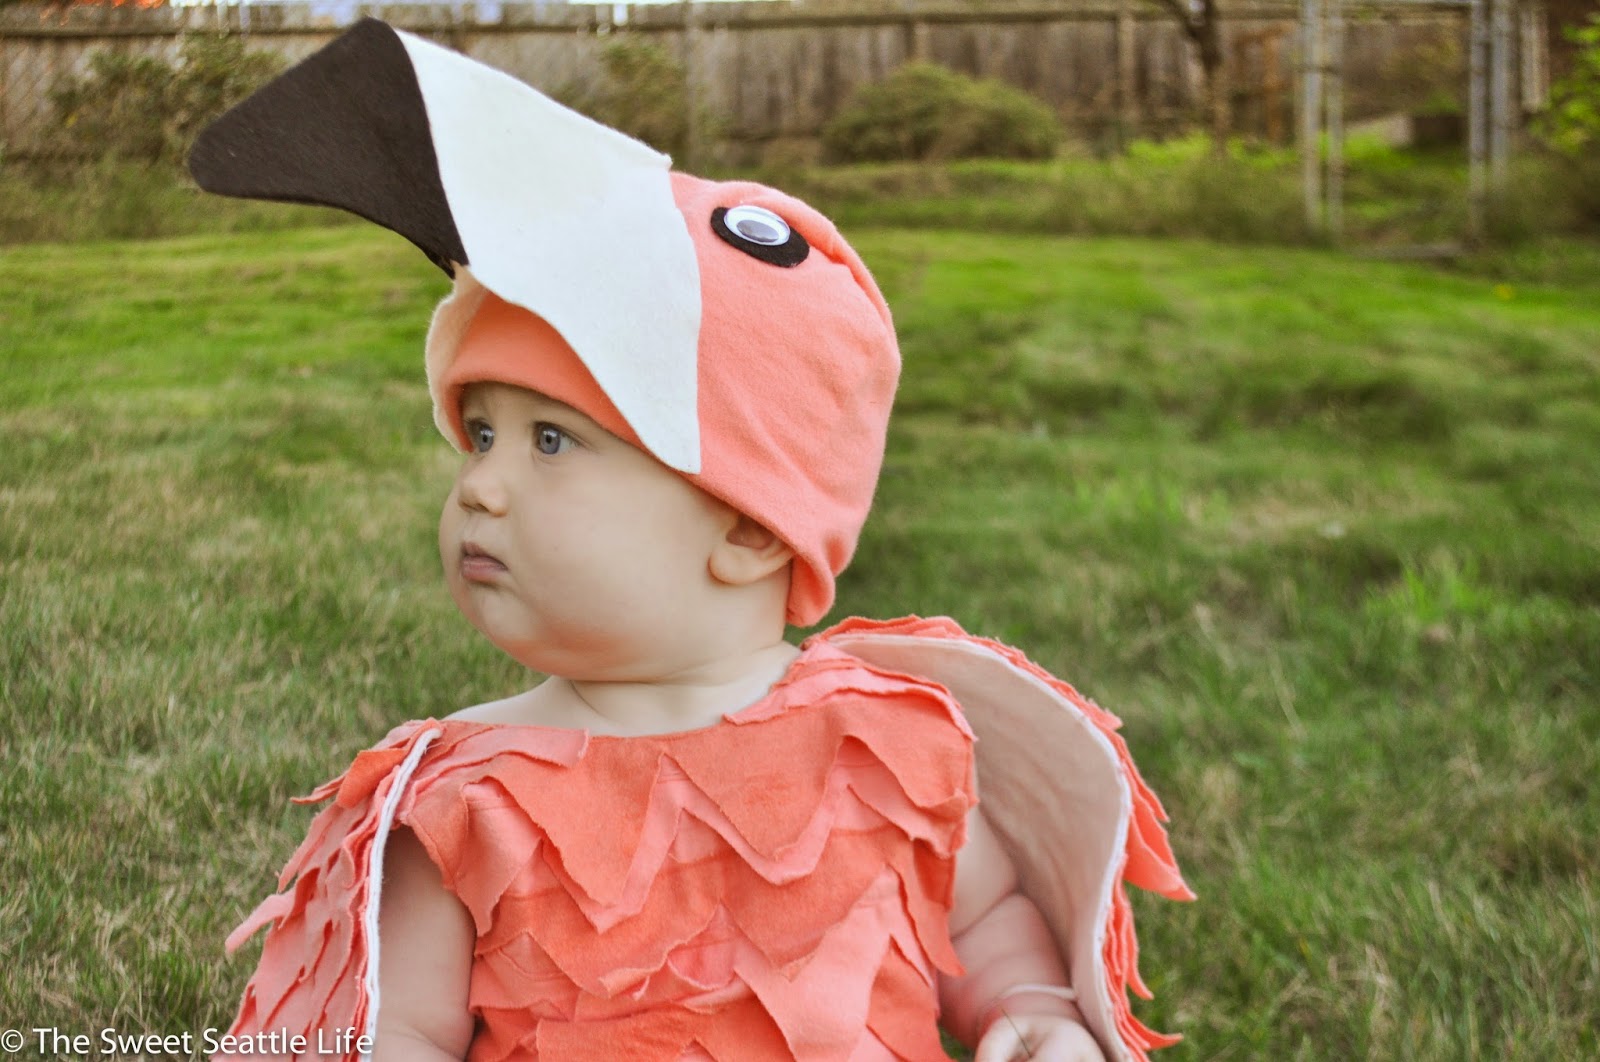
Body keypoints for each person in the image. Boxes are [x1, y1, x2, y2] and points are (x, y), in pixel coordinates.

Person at [190, 19, 1190, 1062]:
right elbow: (396, 1030)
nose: (479, 483)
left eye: (550, 442)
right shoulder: (465, 804)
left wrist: (1029, 1005)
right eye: (479, 433)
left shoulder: (882, 749)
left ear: (750, 531)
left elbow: (981, 923)